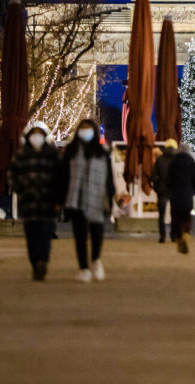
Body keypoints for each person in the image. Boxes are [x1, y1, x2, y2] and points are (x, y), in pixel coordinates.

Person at [8, 122, 62, 281]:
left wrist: (58, 199)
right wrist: (20, 189)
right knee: (31, 236)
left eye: (39, 133)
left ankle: (43, 262)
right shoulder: (21, 154)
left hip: (48, 202)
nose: (36, 136)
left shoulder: (52, 154)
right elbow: (12, 175)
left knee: (45, 235)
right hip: (29, 202)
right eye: (34, 133)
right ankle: (35, 262)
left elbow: (61, 177)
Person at [63, 119, 115, 283]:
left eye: (88, 129)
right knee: (79, 235)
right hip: (76, 198)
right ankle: (83, 267)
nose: (85, 132)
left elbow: (109, 178)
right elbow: (63, 176)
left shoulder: (102, 151)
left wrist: (111, 198)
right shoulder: (70, 151)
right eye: (83, 129)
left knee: (97, 233)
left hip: (97, 196)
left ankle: (96, 260)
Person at [166, 144, 195, 255]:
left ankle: (178, 236)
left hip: (175, 194)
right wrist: (193, 191)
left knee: (175, 216)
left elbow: (168, 179)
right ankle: (186, 233)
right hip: (187, 193)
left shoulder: (173, 162)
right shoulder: (191, 162)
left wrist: (170, 189)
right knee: (186, 216)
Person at [151, 139, 177, 243]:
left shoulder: (160, 159)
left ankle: (162, 236)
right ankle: (173, 236)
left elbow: (154, 175)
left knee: (161, 215)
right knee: (174, 214)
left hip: (161, 190)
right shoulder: (176, 160)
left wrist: (157, 186)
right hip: (174, 190)